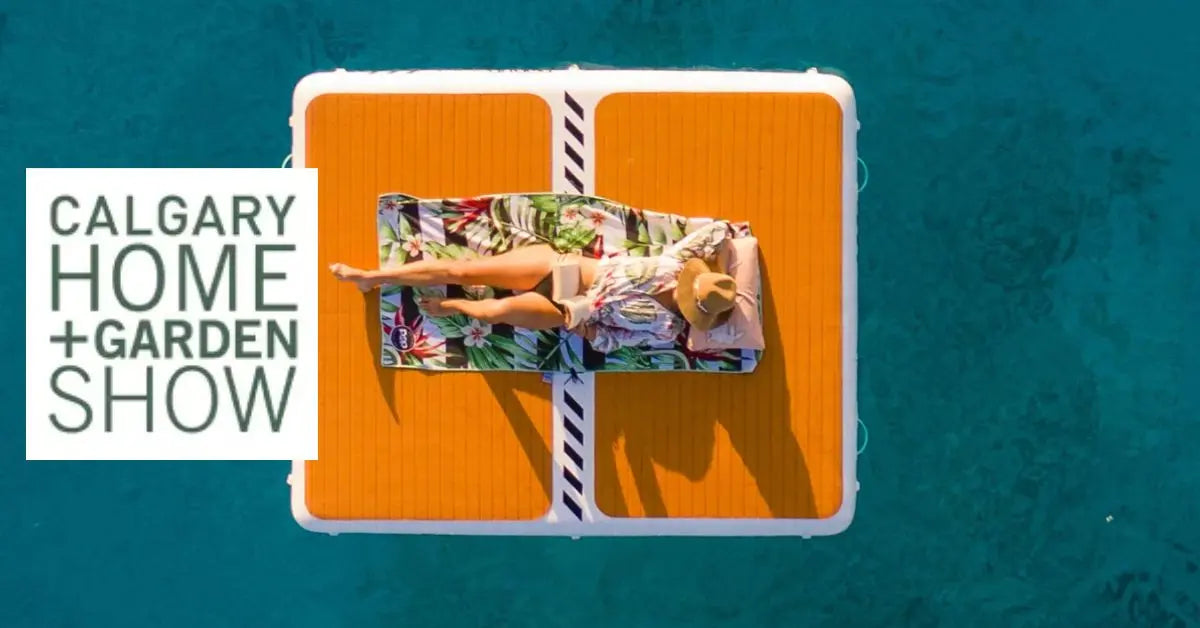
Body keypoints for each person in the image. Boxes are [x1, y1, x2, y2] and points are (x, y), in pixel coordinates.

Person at [329, 220, 738, 353]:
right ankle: (371, 277)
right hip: (561, 266)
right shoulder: (674, 264)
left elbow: (608, 343)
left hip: (569, 308)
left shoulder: (666, 330)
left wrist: (583, 324)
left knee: (496, 312)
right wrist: (723, 265)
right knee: (469, 271)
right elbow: (718, 229)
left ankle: (458, 309)